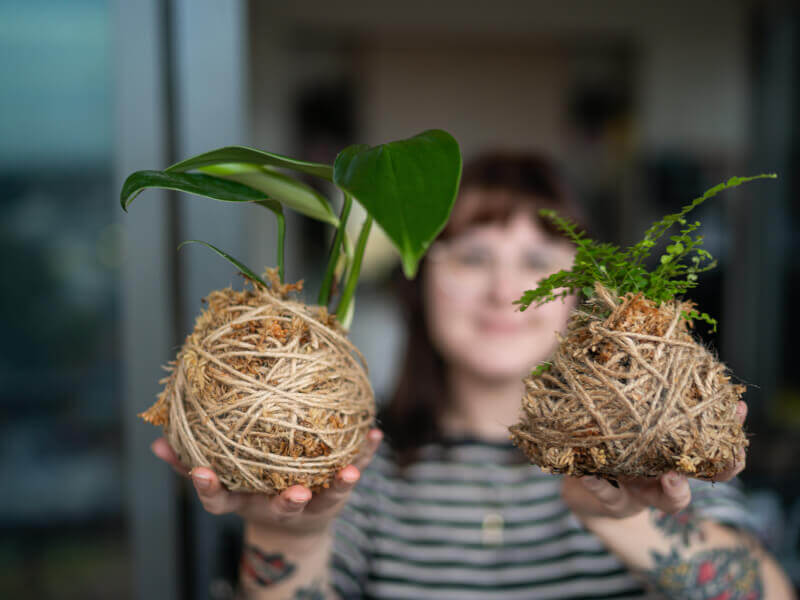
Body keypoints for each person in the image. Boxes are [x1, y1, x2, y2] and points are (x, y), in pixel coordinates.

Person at [152, 153, 796, 599]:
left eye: (540, 260)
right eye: (472, 256)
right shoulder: (352, 460)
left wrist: (617, 514)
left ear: (581, 293)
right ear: (418, 278)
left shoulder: (651, 454)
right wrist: (284, 529)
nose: (505, 289)